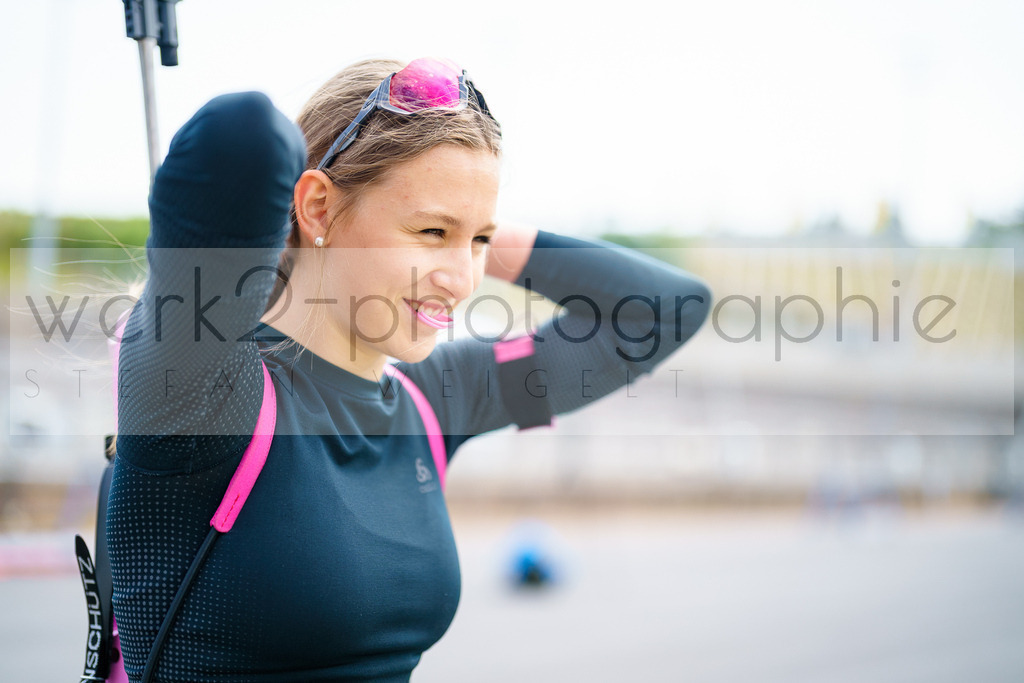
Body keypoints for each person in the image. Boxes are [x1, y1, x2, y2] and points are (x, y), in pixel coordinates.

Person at [107, 56, 711, 682]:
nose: (461, 281)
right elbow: (243, 136)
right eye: (428, 230)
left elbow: (666, 312)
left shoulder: (434, 403)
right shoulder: (203, 393)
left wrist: (471, 225)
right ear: (316, 206)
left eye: (478, 242)